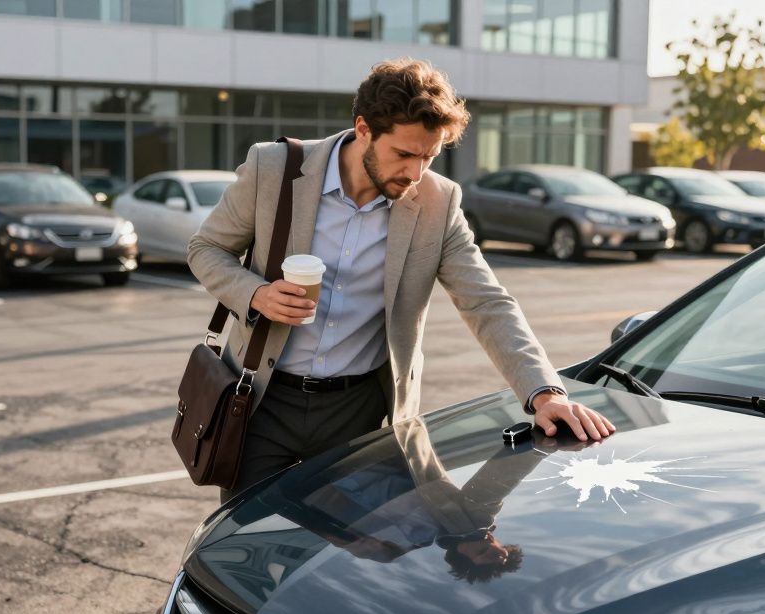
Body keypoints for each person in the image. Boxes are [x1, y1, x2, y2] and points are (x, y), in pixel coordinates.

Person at [188, 57, 615, 501]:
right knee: (247, 555)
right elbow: (206, 249)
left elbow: (487, 302)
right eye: (405, 154)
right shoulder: (273, 167)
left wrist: (545, 394)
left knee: (352, 559)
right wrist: (255, 294)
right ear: (363, 129)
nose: (415, 173)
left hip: (361, 414)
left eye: (429, 157)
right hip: (261, 403)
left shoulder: (438, 202)